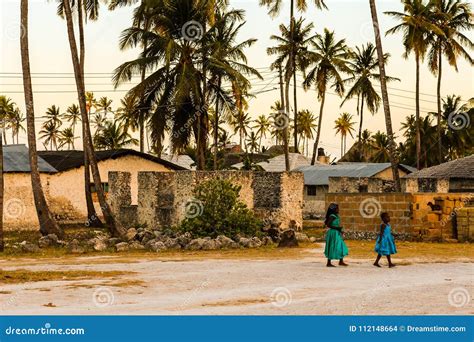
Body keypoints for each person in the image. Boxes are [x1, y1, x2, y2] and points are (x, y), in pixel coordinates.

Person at [324, 203, 349, 267]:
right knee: (332, 246)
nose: (338, 210)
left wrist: (340, 230)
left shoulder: (336, 215)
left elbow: (336, 225)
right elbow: (328, 225)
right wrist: (337, 228)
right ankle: (328, 263)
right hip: (333, 233)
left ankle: (341, 261)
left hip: (336, 232)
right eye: (337, 208)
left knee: (341, 246)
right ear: (334, 209)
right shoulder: (332, 216)